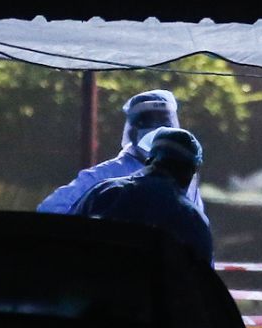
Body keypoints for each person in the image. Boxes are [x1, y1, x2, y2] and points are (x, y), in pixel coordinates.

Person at [37, 89, 205, 218]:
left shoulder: (187, 182)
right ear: (132, 130)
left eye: (164, 121)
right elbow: (49, 211)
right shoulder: (103, 176)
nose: (157, 127)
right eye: (147, 121)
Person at [70, 127, 213, 266]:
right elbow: (201, 276)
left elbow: (66, 241)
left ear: (149, 160)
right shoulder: (193, 220)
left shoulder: (104, 192)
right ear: (189, 172)